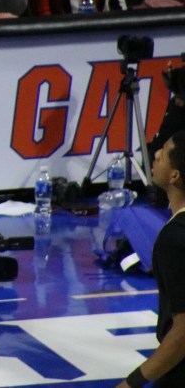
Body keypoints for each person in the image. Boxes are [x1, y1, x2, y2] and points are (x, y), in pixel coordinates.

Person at [116, 130, 185, 387]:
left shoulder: (174, 240)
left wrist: (132, 382)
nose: (155, 154)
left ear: (175, 175)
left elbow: (183, 333)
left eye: (165, 153)